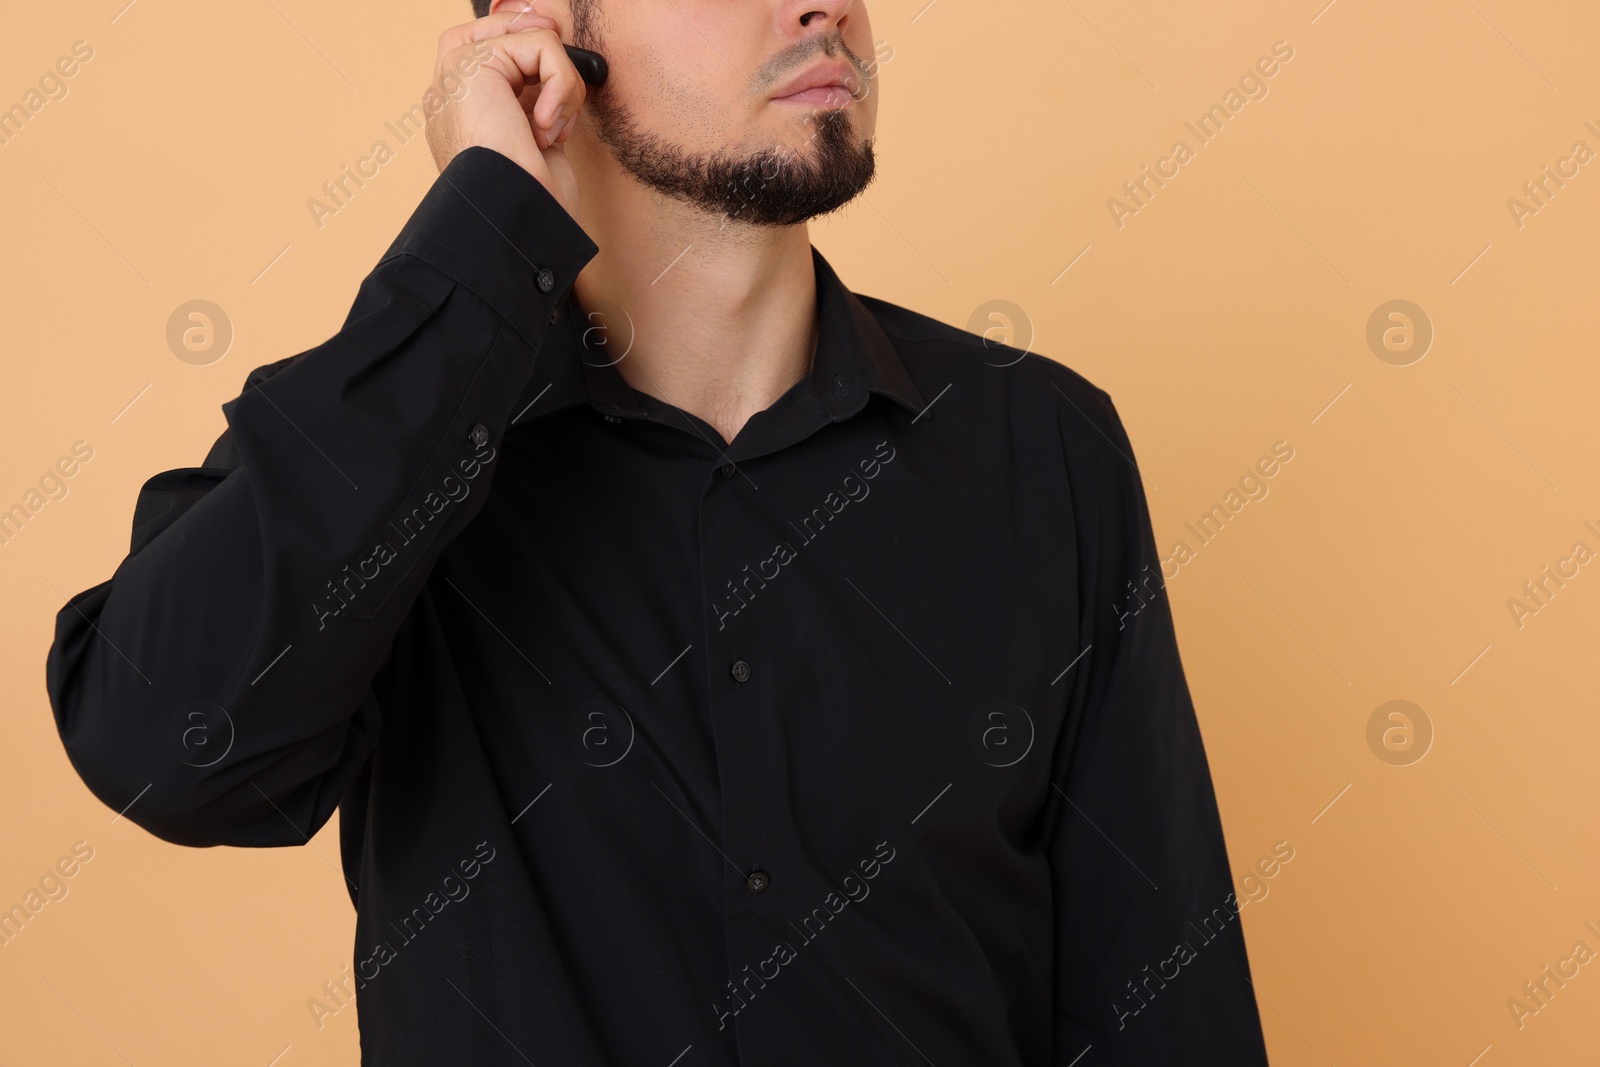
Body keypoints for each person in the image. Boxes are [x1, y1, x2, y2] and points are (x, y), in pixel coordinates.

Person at [45, 1, 1270, 1063]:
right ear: (542, 40)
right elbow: (163, 743)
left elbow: (1159, 991)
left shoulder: (1042, 445)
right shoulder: (394, 442)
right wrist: (482, 231)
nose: (818, 12)